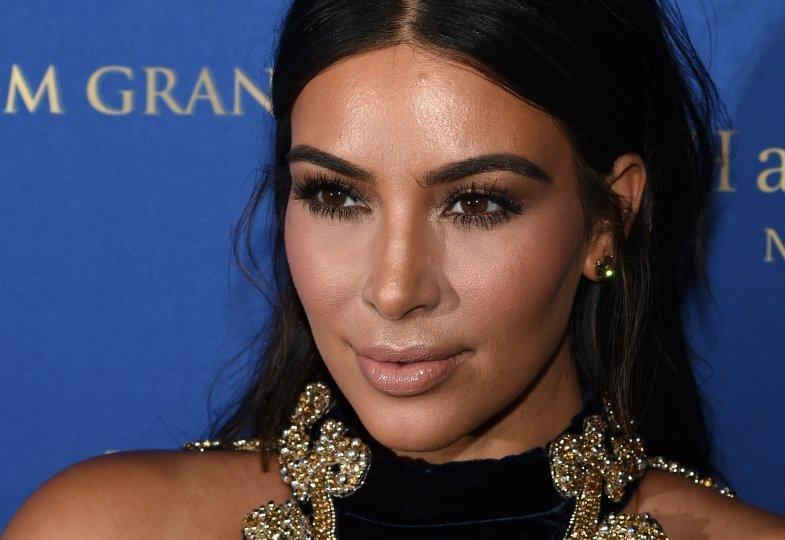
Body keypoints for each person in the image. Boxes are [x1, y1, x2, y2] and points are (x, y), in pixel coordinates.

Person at [5, 0, 785, 538]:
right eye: (335, 196)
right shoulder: (104, 525)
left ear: (608, 219)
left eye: (476, 204)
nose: (393, 288)